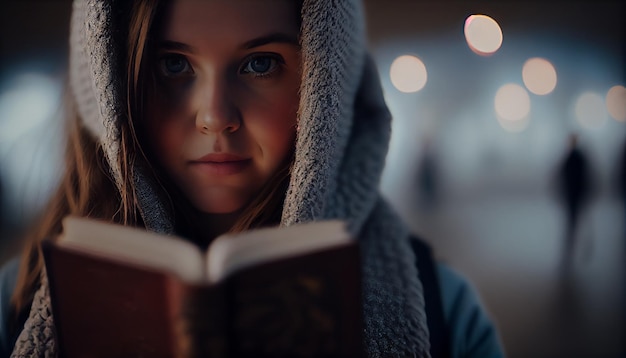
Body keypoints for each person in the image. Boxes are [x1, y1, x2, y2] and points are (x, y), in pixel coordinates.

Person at [0, 0, 504, 357]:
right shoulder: (14, 307)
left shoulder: (444, 312)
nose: (215, 117)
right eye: (172, 65)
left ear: (325, 84)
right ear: (109, 87)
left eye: (260, 64)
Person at [556, 133, 593, 263]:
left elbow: (564, 173)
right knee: (575, 216)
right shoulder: (577, 156)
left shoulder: (573, 157)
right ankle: (574, 237)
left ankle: (573, 238)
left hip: (575, 192)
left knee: (575, 217)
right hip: (575, 192)